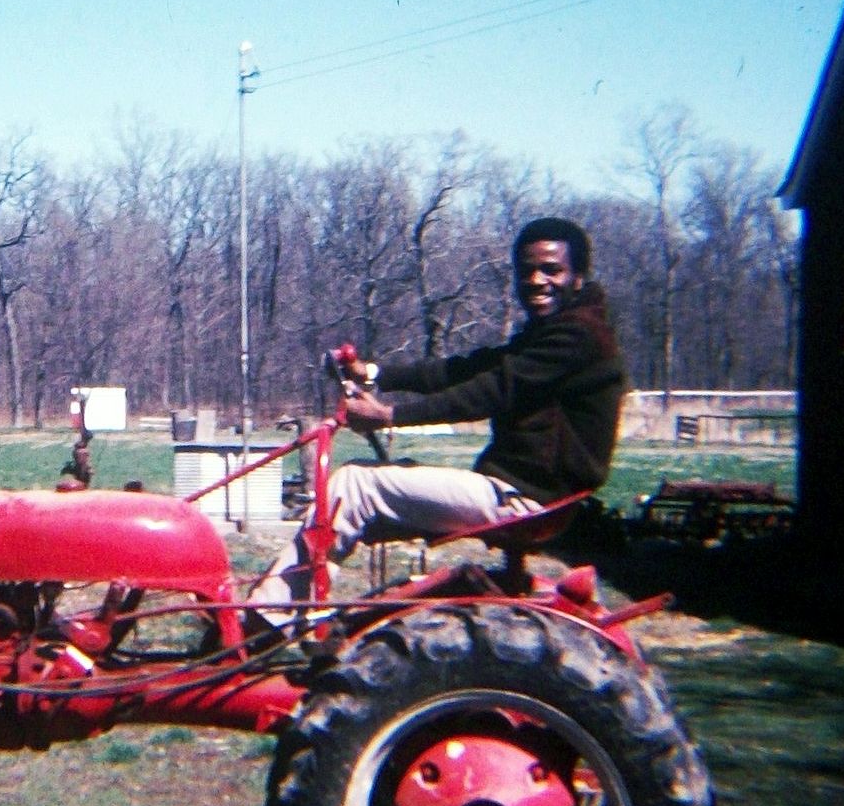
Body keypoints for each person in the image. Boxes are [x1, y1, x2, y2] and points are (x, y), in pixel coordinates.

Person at [250, 216, 625, 619]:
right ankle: (296, 609)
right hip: (525, 494)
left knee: (356, 485)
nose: (535, 280)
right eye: (526, 270)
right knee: (361, 487)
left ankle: (264, 618)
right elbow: (466, 370)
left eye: (551, 270)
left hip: (525, 501)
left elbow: (489, 391)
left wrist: (388, 415)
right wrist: (375, 374)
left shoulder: (578, 337)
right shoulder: (558, 331)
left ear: (579, 277)